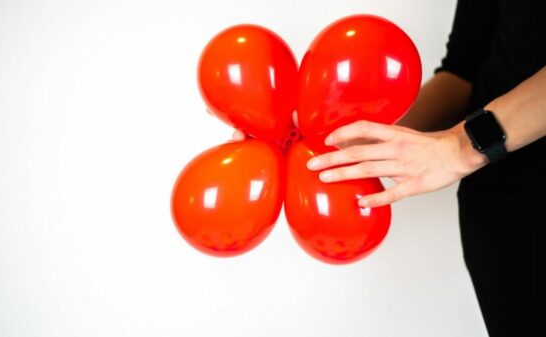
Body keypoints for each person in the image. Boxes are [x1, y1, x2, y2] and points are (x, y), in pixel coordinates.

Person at [233, 1, 545, 335]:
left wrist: (462, 146)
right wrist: (353, 142)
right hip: (501, 219)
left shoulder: (464, 149)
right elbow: (463, 74)